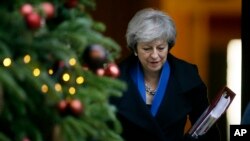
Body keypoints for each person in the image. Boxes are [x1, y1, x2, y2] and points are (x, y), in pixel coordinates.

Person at [110, 8, 221, 141]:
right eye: (147, 48)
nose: (155, 55)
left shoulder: (187, 76)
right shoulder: (115, 79)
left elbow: (207, 133)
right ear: (135, 49)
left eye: (161, 48)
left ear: (168, 46)